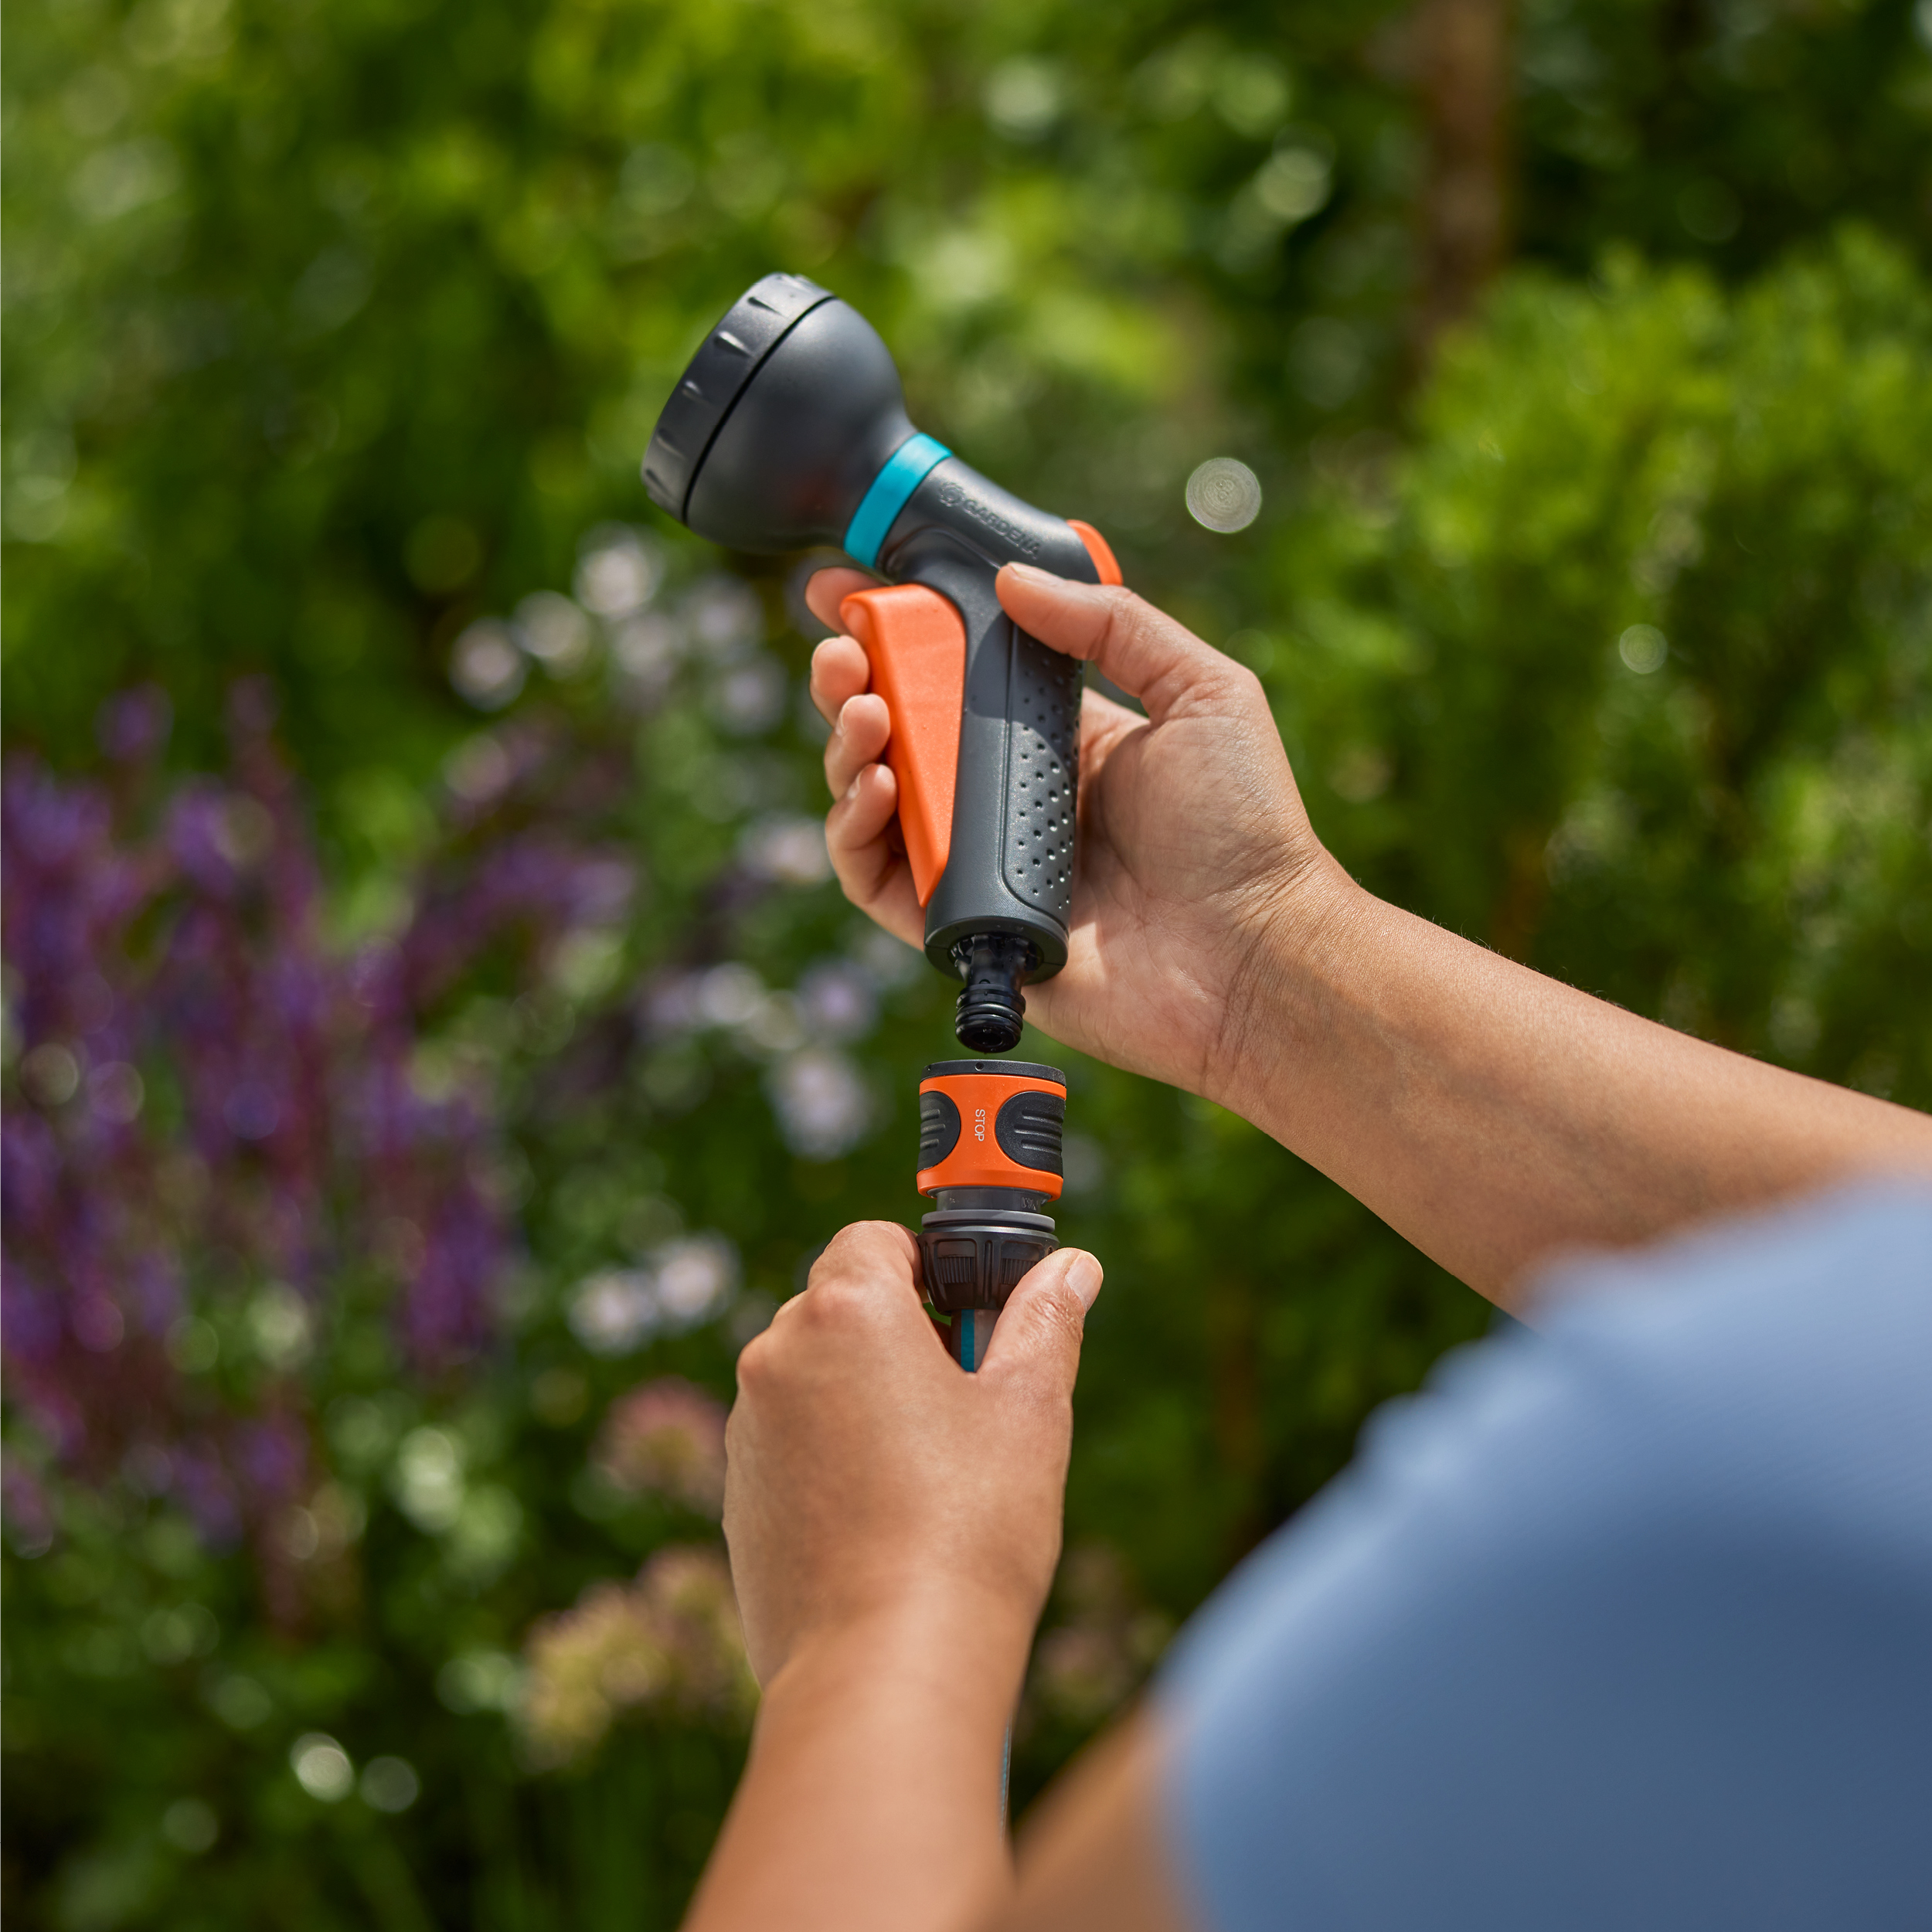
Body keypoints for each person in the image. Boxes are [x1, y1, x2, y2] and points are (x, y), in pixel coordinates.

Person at [683, 565, 1932, 1932]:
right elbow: (1870, 1267)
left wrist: (878, 1616)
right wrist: (1257, 964)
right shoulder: (1809, 1442)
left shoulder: (1688, 1517)